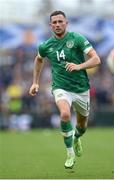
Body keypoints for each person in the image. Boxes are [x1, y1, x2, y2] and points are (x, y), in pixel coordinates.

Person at [29, 10, 101, 169]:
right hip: (61, 87)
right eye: (54, 22)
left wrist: (79, 66)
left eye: (60, 21)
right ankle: (69, 153)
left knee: (82, 127)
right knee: (65, 114)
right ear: (50, 25)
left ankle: (76, 138)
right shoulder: (46, 45)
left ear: (66, 23)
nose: (57, 25)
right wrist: (35, 82)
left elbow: (96, 59)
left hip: (81, 88)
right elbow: (38, 59)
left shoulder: (77, 39)